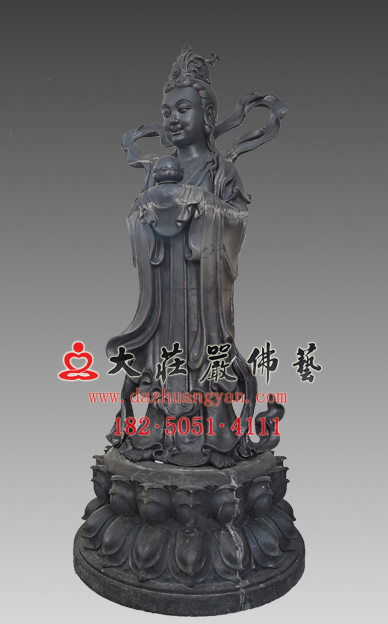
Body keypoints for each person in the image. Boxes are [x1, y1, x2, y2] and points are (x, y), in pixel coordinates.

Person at [106, 47, 287, 467]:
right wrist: (146, 213)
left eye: (182, 109)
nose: (172, 118)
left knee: (207, 360)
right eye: (166, 111)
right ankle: (154, 429)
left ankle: (216, 433)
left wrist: (201, 205)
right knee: (161, 362)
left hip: (202, 294)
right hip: (164, 292)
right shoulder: (157, 171)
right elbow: (137, 221)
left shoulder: (220, 170)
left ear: (206, 116)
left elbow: (237, 221)